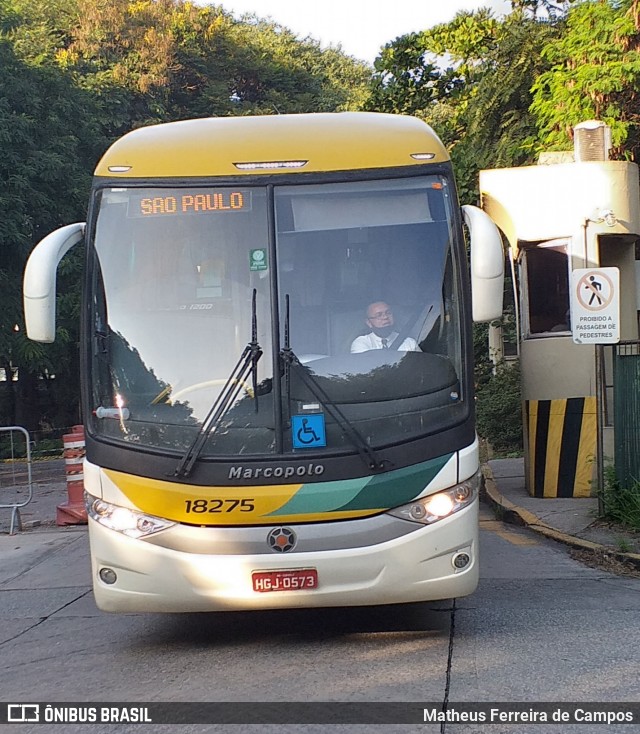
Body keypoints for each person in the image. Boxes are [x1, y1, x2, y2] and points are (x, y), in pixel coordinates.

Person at [350, 301, 420, 353]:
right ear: (369, 322)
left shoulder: (409, 343)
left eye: (388, 313)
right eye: (379, 315)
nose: (385, 317)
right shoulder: (361, 343)